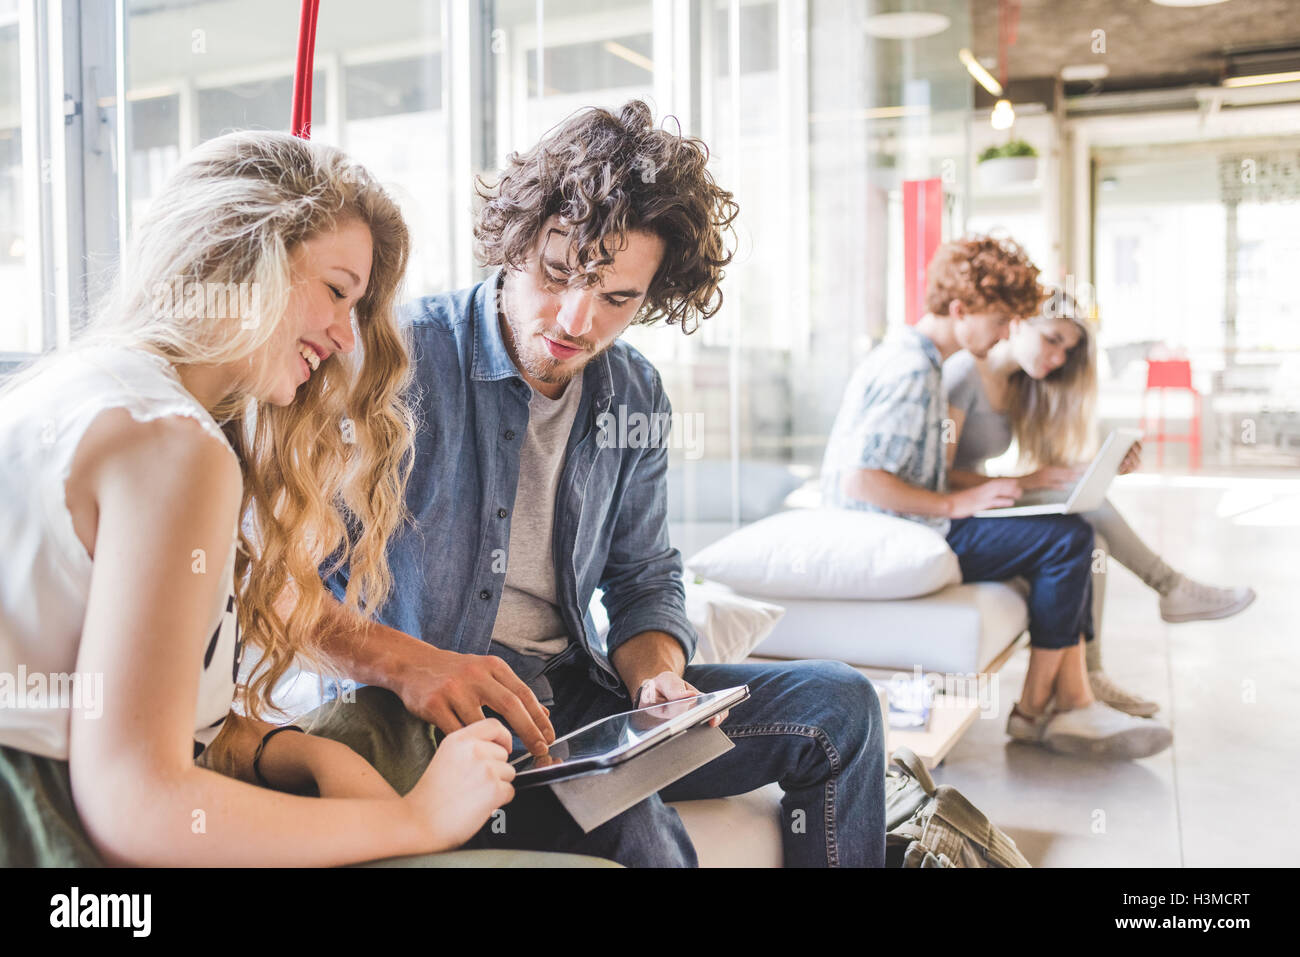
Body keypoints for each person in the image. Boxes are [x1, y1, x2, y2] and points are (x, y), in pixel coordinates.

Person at [0, 130, 605, 867]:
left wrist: (285, 752)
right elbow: (140, 801)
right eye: (336, 290)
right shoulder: (176, 446)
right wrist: (422, 818)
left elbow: (87, 707)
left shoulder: (84, 393)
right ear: (240, 257)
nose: (346, 334)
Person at [306, 100, 887, 867]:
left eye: (618, 298)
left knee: (840, 704)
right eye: (557, 274)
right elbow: (292, 589)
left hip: (574, 699)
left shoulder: (632, 395)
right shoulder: (395, 363)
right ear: (516, 242)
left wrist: (659, 682)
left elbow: (643, 579)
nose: (577, 320)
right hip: (433, 716)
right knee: (637, 824)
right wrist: (415, 665)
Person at [821, 234, 1172, 760]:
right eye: (1002, 320)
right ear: (961, 309)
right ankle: (1041, 709)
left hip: (914, 521)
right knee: (1067, 539)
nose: (1009, 333)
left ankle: (1060, 702)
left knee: (1066, 531)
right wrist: (953, 505)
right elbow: (861, 480)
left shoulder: (918, 359)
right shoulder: (914, 370)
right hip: (901, 530)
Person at [943, 295, 1255, 716]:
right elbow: (938, 475)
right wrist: (1019, 481)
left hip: (984, 496)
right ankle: (1169, 587)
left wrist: (1095, 469)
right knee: (1088, 514)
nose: (1057, 356)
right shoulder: (964, 373)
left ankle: (1092, 675)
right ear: (1019, 323)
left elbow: (1039, 470)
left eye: (1067, 350)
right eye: (1052, 340)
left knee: (1092, 540)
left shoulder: (1018, 384)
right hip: (957, 508)